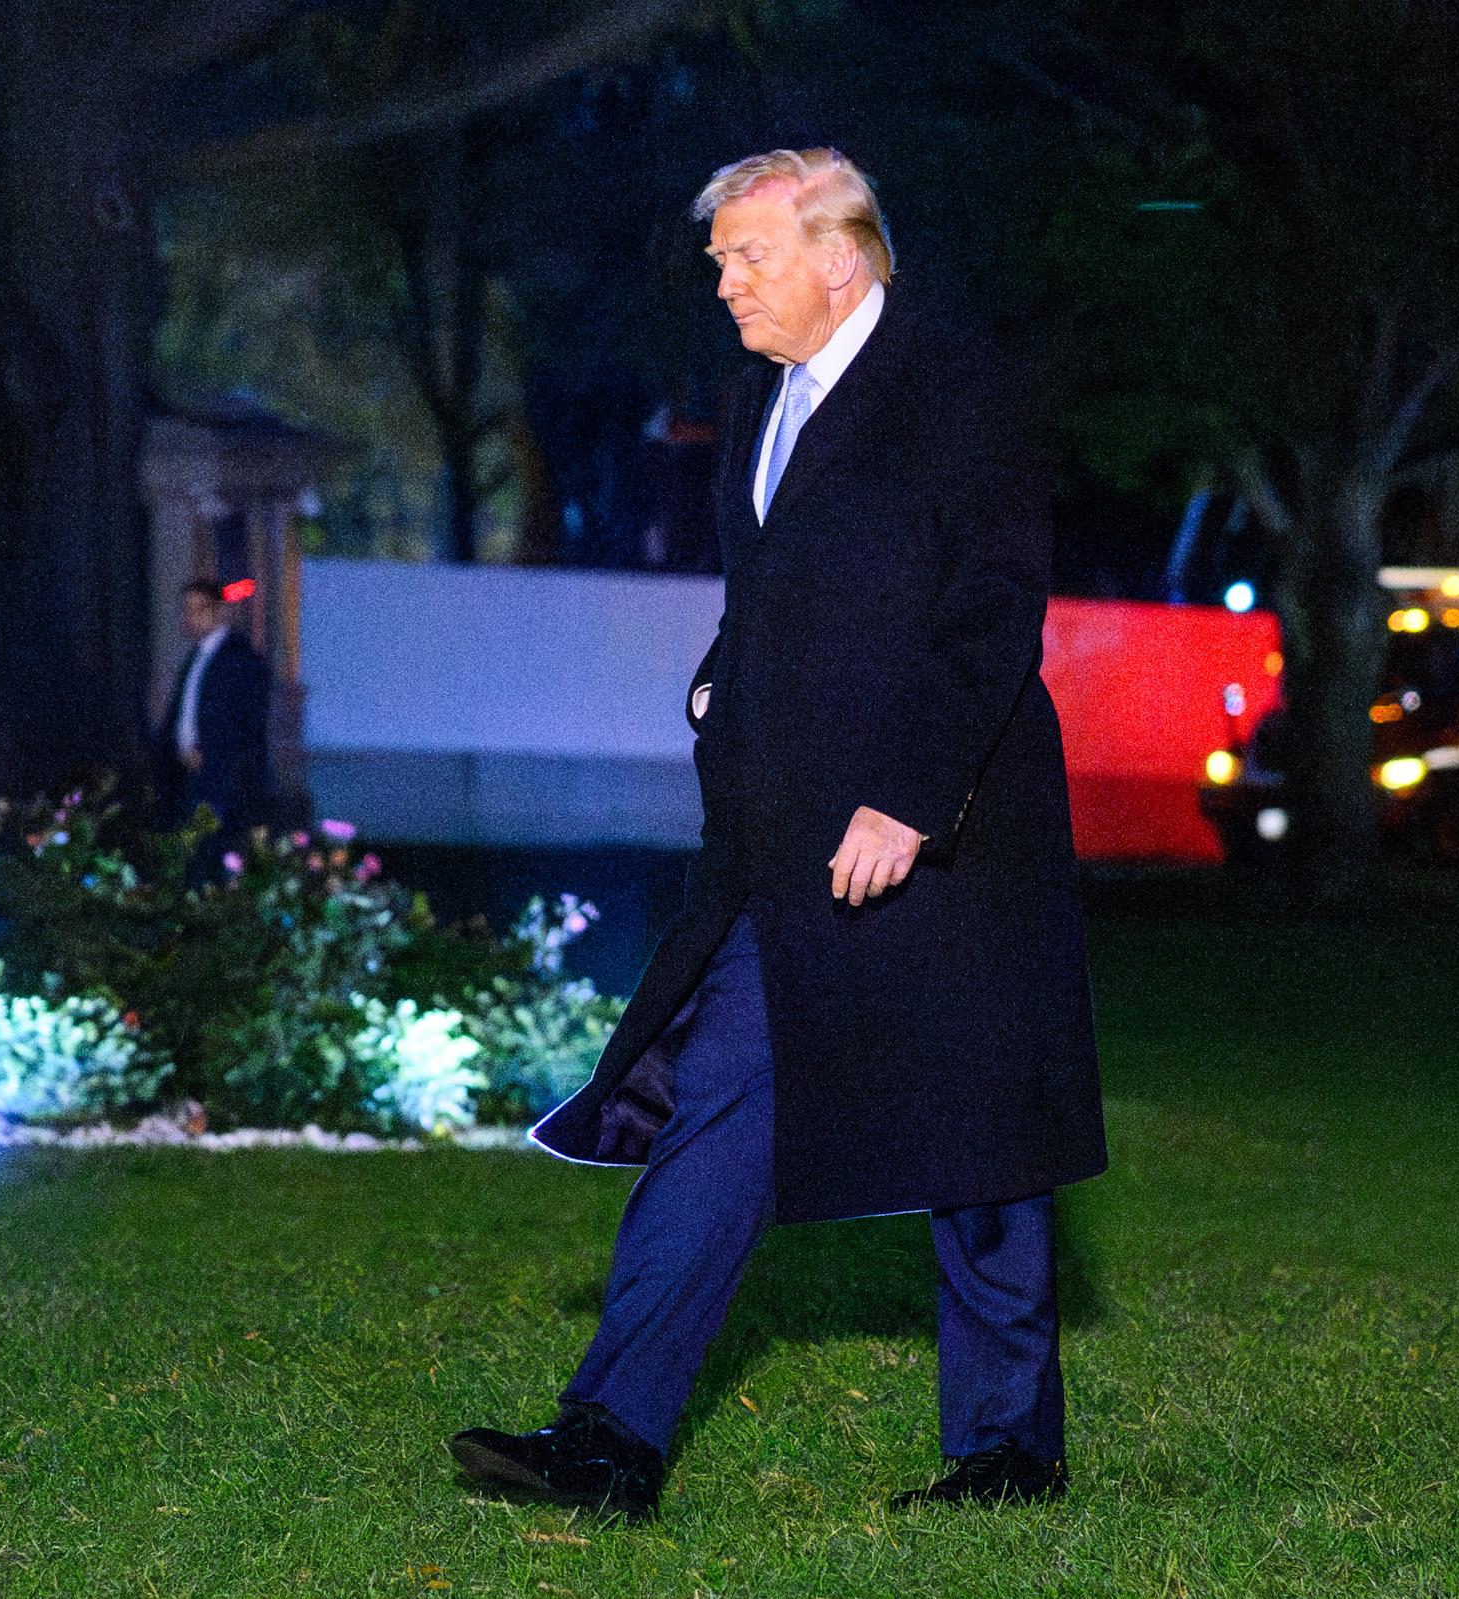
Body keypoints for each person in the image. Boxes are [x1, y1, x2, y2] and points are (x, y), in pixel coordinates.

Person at [448, 148, 1107, 1521]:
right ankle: (608, 1440)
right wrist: (724, 669)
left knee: (980, 1142)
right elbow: (791, 589)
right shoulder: (768, 400)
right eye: (720, 261)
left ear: (842, 254)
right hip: (782, 840)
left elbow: (990, 610)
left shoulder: (959, 389)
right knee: (717, 1112)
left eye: (749, 255)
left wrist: (914, 799)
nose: (726, 282)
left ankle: (1008, 1453)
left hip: (946, 828)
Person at [156, 579, 271, 875]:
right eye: (187, 609)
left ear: (220, 612)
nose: (190, 617)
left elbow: (245, 724)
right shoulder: (197, 658)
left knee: (210, 857)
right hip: (188, 776)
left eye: (199, 609)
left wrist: (209, 753)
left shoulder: (239, 660)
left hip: (220, 780)